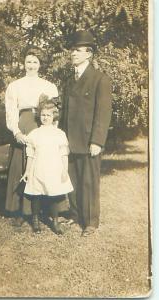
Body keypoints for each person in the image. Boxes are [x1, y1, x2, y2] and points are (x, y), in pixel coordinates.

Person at [61, 30, 112, 237]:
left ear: (88, 54)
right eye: (72, 49)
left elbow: (103, 112)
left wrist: (97, 141)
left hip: (89, 140)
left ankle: (90, 222)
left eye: (77, 50)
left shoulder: (100, 79)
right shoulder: (69, 80)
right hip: (69, 139)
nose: (72, 53)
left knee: (89, 181)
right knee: (72, 180)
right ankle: (75, 216)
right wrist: (60, 138)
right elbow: (65, 111)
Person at [5, 46, 58, 227]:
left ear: (40, 64)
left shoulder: (48, 86)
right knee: (21, 166)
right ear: (24, 63)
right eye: (29, 61)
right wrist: (16, 132)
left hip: (41, 125)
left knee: (40, 165)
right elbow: (11, 111)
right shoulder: (15, 86)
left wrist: (52, 132)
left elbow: (54, 112)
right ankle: (20, 210)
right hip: (23, 125)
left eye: (35, 62)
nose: (32, 65)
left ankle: (41, 208)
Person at [21, 98, 73, 234]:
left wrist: (65, 170)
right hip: (38, 168)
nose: (45, 118)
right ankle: (36, 221)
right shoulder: (35, 134)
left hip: (53, 169)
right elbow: (30, 154)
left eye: (48, 115)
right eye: (43, 115)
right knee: (36, 195)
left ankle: (55, 221)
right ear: (39, 116)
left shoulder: (59, 134)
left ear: (54, 116)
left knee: (53, 194)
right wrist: (27, 171)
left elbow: (64, 154)